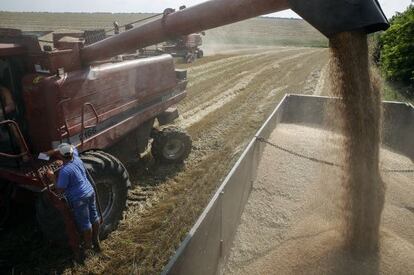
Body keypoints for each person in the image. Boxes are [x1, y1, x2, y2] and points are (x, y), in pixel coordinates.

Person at [45, 143, 101, 253]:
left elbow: (60, 190)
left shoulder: (64, 171)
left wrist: (52, 178)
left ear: (60, 156)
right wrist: (60, 150)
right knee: (94, 217)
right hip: (90, 191)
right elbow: (72, 146)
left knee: (85, 223)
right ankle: (96, 240)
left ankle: (88, 246)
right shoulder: (76, 158)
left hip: (79, 198)